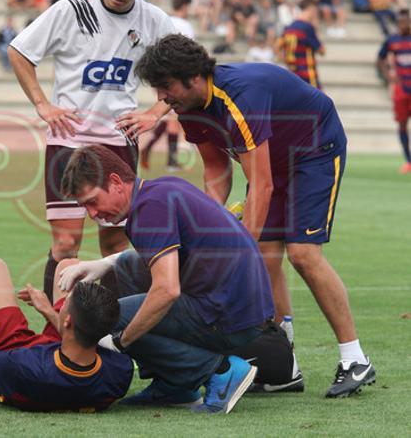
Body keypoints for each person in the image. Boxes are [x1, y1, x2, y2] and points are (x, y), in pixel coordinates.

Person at [134, 34, 376, 398]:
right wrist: (209, 226)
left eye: (166, 87)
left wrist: (237, 248)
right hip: (271, 162)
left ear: (193, 77)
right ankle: (284, 364)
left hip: (314, 151)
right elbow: (216, 170)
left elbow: (261, 185)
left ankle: (355, 359)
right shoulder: (188, 106)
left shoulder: (239, 96)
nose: (162, 99)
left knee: (302, 254)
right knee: (264, 255)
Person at [7, 0, 176, 301]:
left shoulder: (154, 20)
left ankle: (118, 330)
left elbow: (185, 69)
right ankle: (56, 331)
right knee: (66, 241)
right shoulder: (71, 10)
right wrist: (42, 103)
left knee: (115, 242)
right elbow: (20, 51)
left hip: (119, 140)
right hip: (69, 140)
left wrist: (155, 112)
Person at [59, 145, 276, 413]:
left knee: (109, 318)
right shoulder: (159, 191)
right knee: (126, 265)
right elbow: (165, 250)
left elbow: (167, 290)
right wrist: (105, 263)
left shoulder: (148, 209)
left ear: (115, 182)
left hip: (230, 318)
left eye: (92, 201)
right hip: (242, 307)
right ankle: (175, 386)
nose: (92, 214)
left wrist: (121, 341)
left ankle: (220, 371)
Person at [0, 258, 133, 412]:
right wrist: (48, 311)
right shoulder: (120, 370)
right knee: (69, 267)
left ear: (67, 321)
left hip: (17, 349)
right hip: (63, 349)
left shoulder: (21, 365)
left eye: (66, 302)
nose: (63, 303)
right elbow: (81, 340)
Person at [140, 0, 193, 172]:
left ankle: (148, 149)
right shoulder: (185, 25)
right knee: (172, 119)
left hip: (160, 76)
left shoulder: (165, 21)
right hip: (175, 78)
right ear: (185, 6)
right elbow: (189, 55)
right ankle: (171, 161)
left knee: (168, 116)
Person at [377, 8, 411, 173]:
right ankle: (408, 160)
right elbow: (379, 59)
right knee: (402, 125)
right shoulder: (392, 40)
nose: (403, 25)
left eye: (406, 22)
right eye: (400, 22)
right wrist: (388, 76)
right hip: (402, 90)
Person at [276, 0, 325, 90]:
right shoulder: (307, 27)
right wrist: (316, 26)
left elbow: (277, 47)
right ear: (312, 9)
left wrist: (288, 62)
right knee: (320, 101)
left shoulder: (290, 27)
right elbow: (322, 51)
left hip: (292, 73)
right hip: (307, 72)